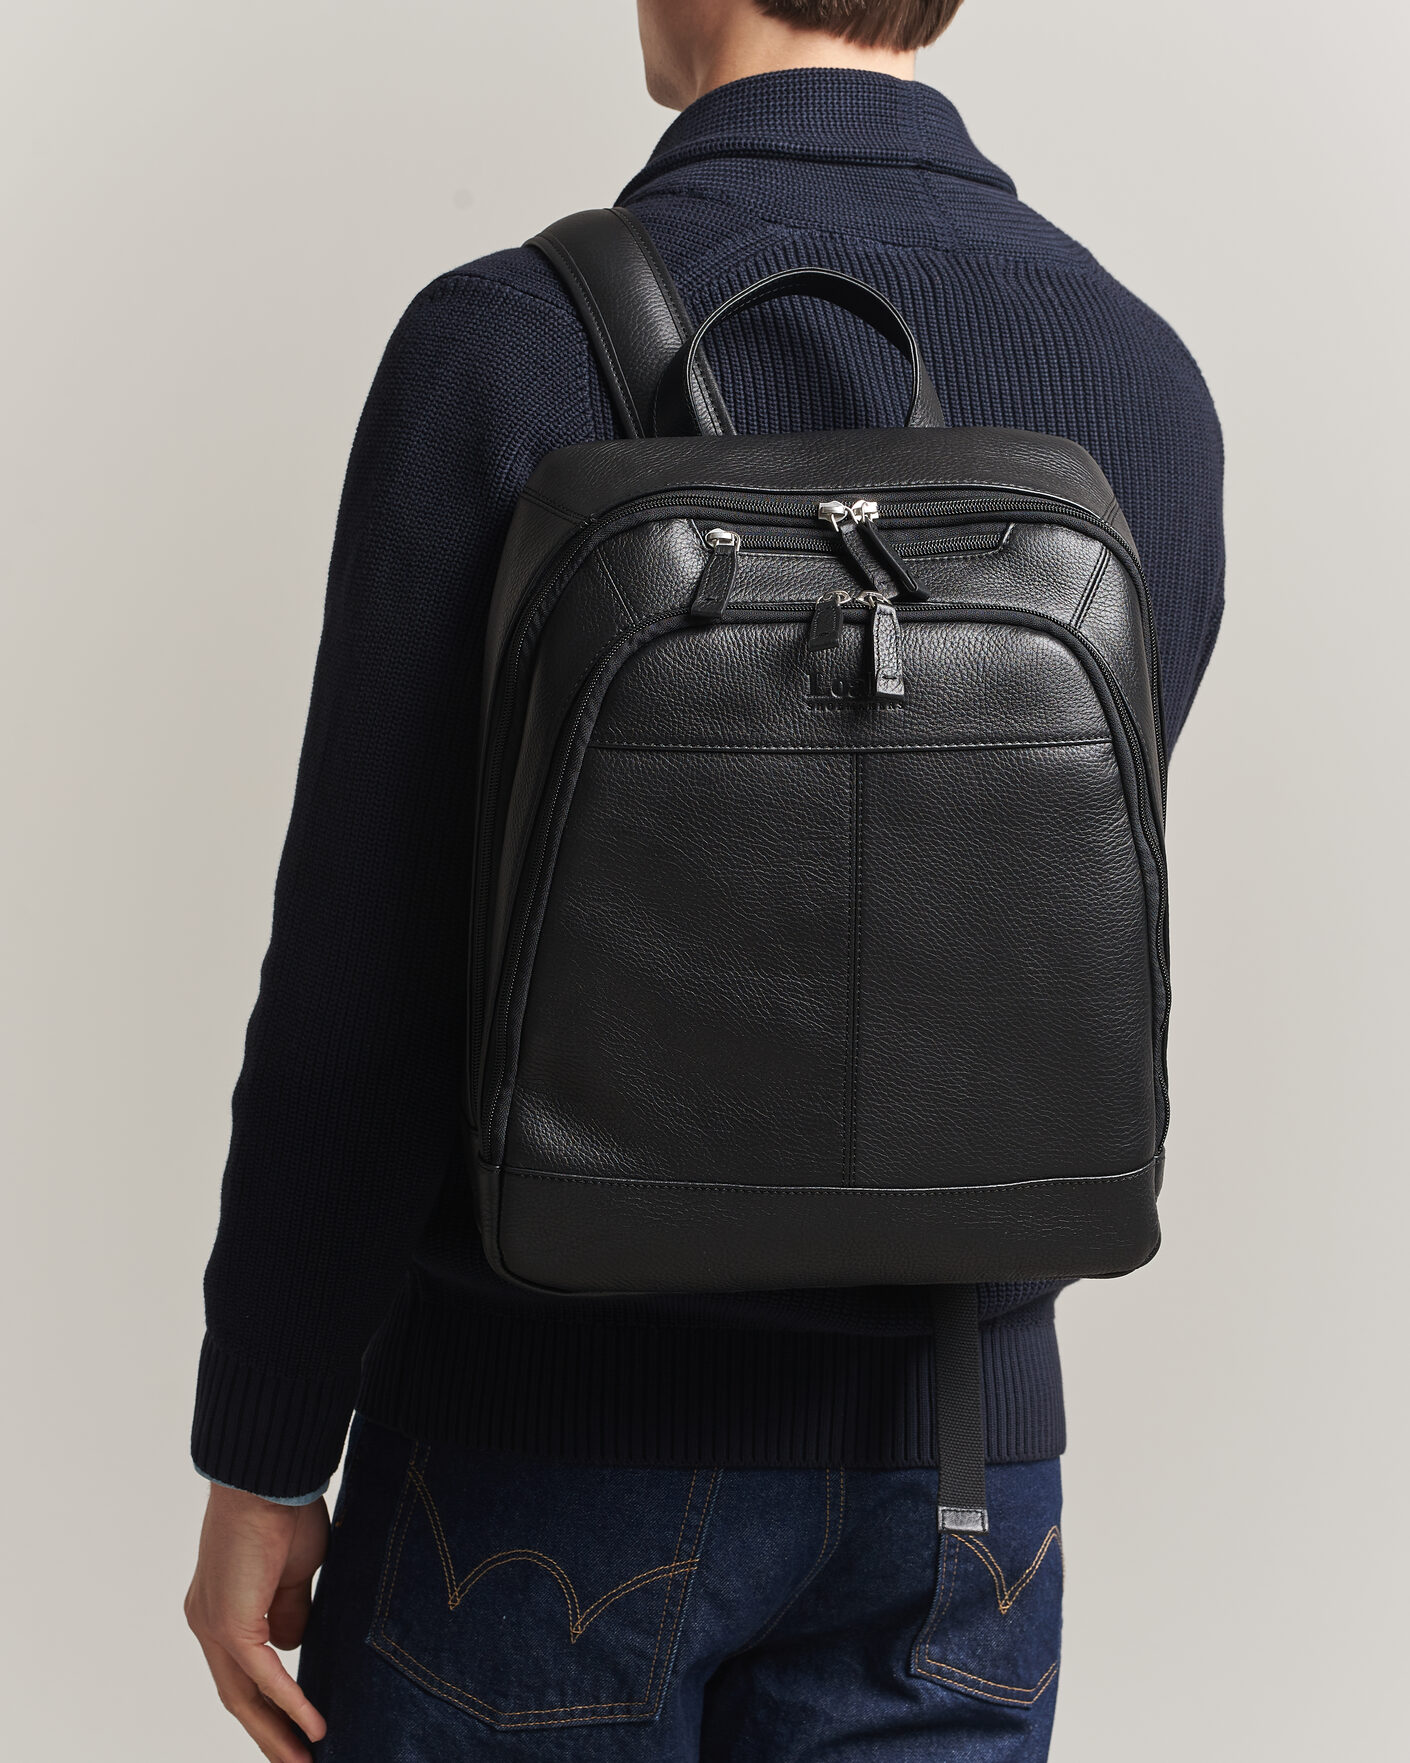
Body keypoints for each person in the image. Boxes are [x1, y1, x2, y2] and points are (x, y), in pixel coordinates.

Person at [184, 1, 1224, 1758]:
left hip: (535, 1458)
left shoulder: (507, 345)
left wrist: (265, 1448)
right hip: (963, 1489)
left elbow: (367, 970)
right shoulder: (1135, 372)